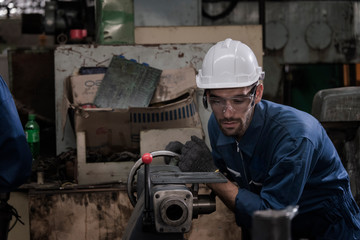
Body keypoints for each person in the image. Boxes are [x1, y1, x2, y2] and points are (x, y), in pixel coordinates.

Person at [166, 38, 360, 239]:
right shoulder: (218, 126)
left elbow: (271, 216)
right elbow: (229, 179)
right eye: (216, 100)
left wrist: (210, 175)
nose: (227, 113)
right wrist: (192, 162)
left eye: (238, 100)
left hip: (329, 231)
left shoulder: (295, 138)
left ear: (257, 93)